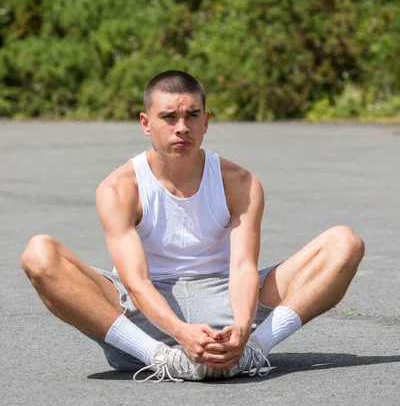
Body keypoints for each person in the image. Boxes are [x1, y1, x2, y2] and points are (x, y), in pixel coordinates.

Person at [21, 70, 365, 383]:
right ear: (145, 122)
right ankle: (160, 359)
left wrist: (245, 328)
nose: (181, 127)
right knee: (39, 254)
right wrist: (180, 333)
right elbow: (136, 282)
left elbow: (243, 266)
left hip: (227, 303)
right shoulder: (119, 188)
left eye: (192, 116)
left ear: (206, 121)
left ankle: (255, 350)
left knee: (344, 243)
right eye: (168, 117)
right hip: (144, 319)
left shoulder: (239, 181)